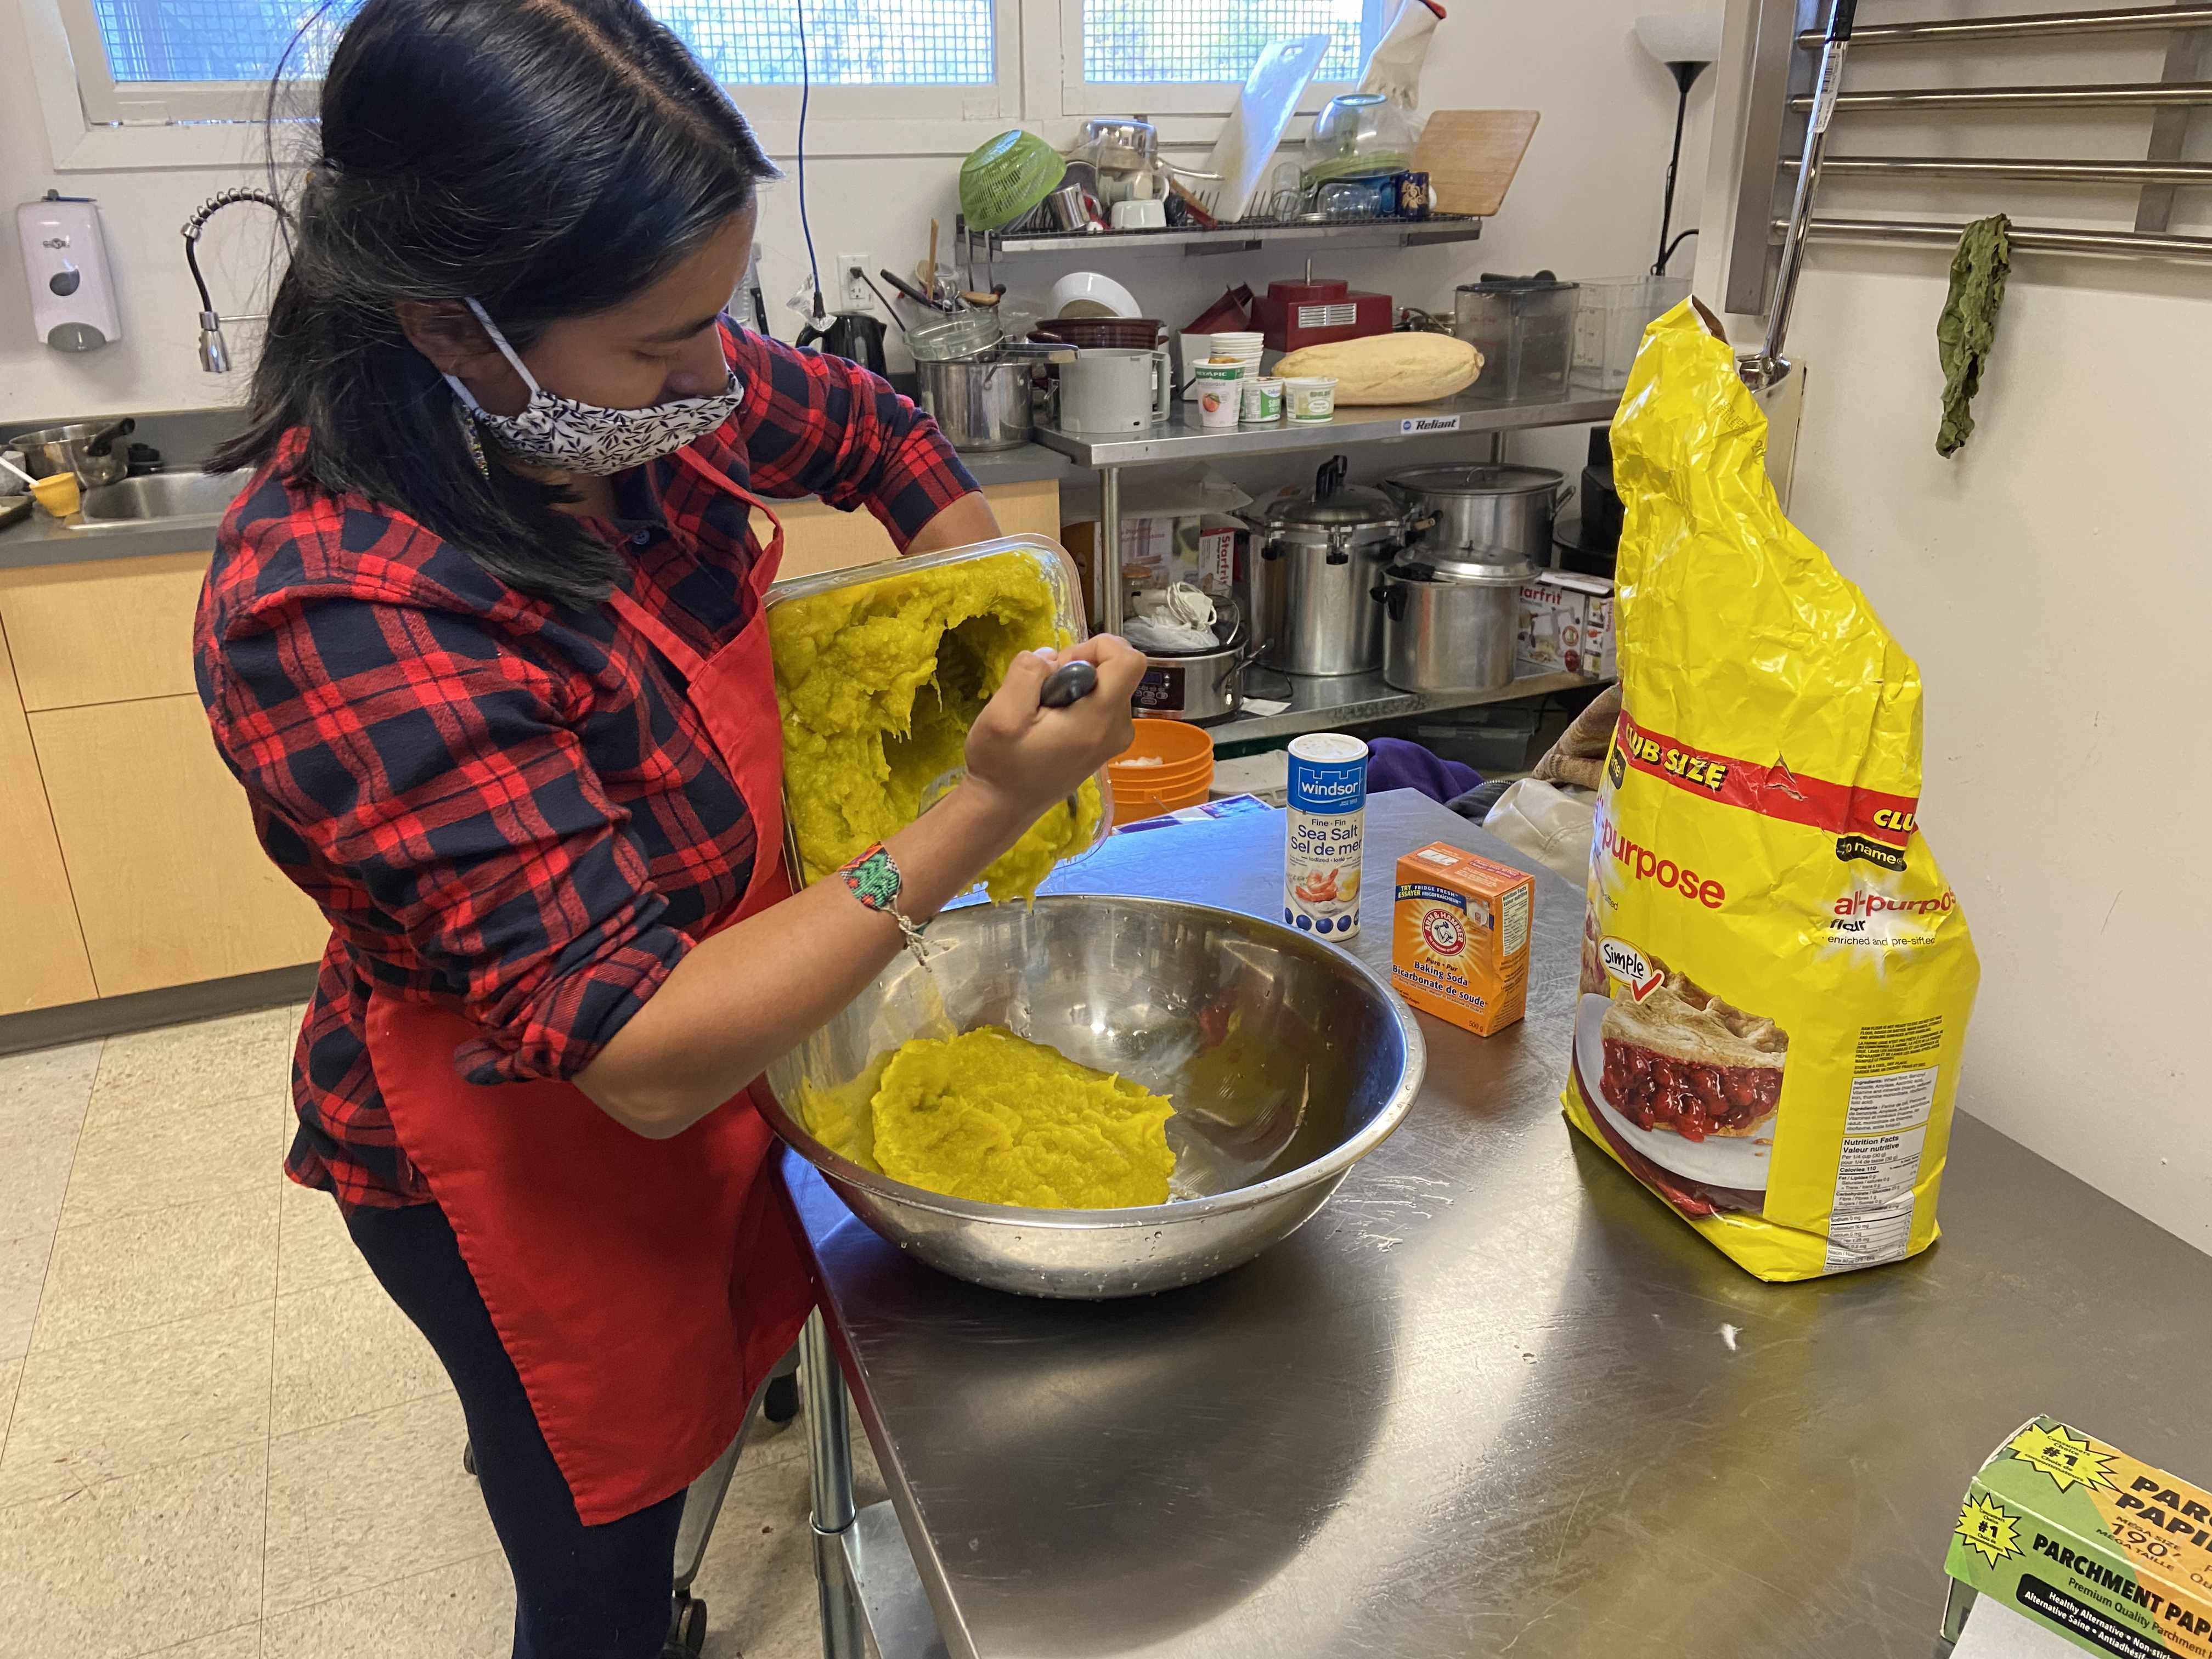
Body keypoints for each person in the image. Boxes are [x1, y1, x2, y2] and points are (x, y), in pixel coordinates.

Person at [193, 2, 1143, 1654]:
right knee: (594, 1550)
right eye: (660, 345)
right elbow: (631, 1047)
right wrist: (986, 804)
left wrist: (999, 614)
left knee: (724, 1362)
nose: (713, 378)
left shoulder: (624, 390)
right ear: (451, 326)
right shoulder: (338, 605)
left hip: (736, 1019)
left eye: (724, 316)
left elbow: (875, 431)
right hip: (522, 1139)